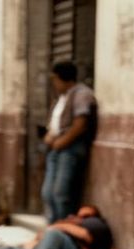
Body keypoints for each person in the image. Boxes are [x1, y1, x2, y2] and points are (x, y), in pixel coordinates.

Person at [42, 61, 96, 222]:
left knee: (61, 193)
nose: (54, 84)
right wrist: (50, 136)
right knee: (47, 192)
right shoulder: (62, 97)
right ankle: (53, 225)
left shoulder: (81, 93)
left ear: (64, 79)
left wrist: (63, 141)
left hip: (70, 148)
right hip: (56, 147)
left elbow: (80, 124)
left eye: (55, 80)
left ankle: (64, 228)